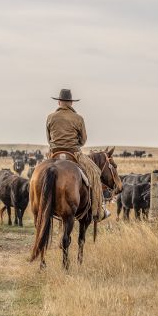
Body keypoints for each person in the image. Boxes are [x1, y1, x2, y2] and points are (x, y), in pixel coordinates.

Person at [46, 89, 109, 220]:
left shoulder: (50, 117)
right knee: (95, 173)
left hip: (54, 153)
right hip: (73, 153)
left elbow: (48, 138)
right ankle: (98, 209)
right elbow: (83, 140)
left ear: (59, 102)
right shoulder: (78, 118)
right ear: (71, 103)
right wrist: (75, 144)